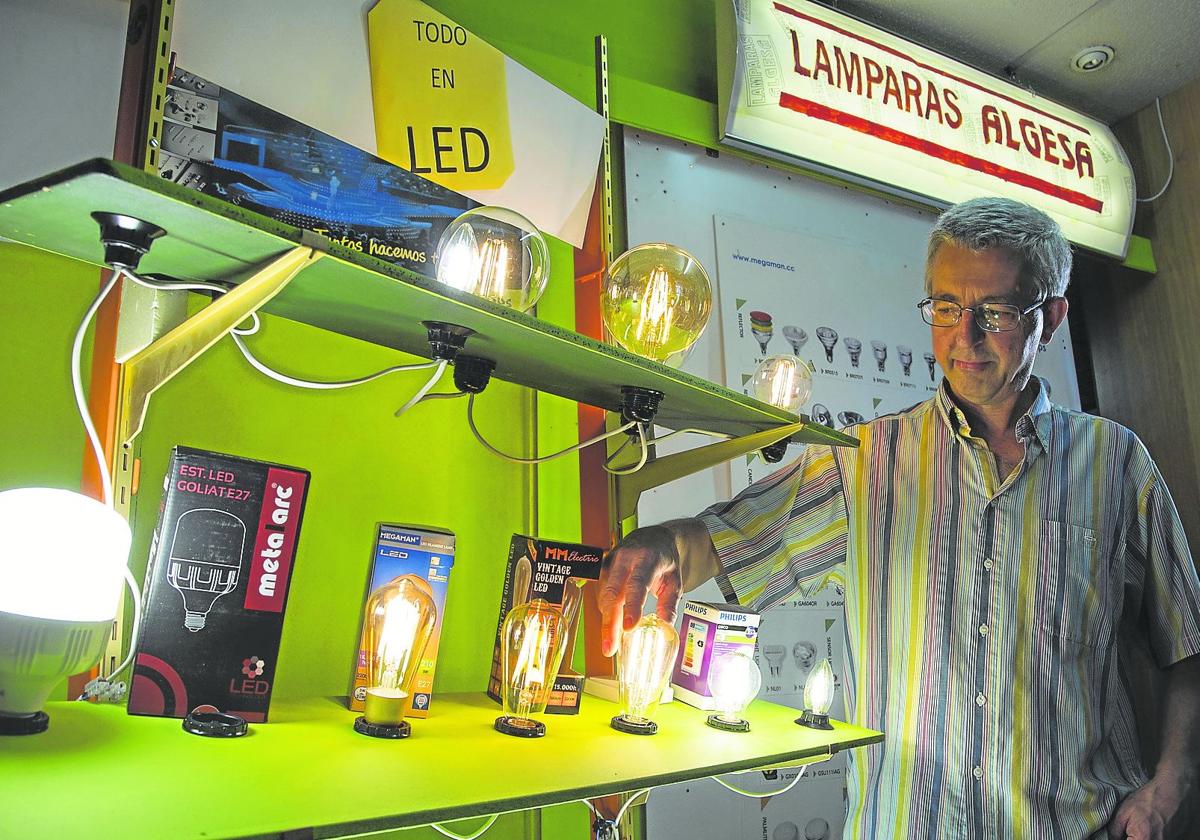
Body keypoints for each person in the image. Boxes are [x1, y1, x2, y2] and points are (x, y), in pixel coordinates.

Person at [598, 197, 1200, 840]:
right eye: (945, 308)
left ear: (1050, 317)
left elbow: (1184, 645)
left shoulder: (1116, 465)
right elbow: (726, 540)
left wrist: (1169, 785)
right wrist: (660, 544)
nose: (963, 337)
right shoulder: (863, 464)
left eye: (993, 312)